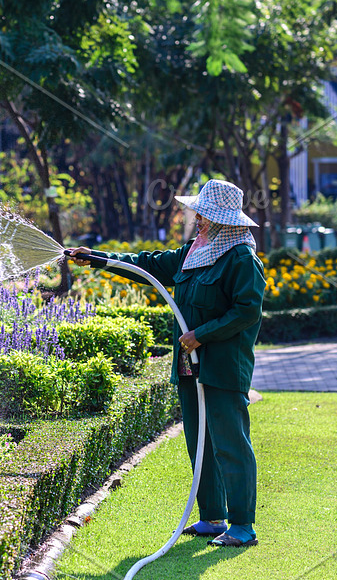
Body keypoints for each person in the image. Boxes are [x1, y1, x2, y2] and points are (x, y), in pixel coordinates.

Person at [68, 179, 266, 548]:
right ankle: (212, 517)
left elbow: (247, 311)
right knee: (199, 440)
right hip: (191, 367)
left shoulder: (240, 257)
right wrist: (96, 258)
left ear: (226, 219)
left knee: (230, 444)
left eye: (206, 214)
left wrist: (202, 334)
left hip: (222, 366)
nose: (199, 219)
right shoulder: (194, 251)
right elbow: (146, 266)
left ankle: (242, 525)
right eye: (200, 212)